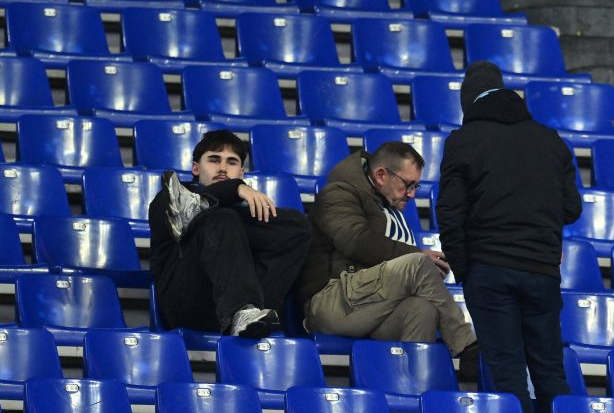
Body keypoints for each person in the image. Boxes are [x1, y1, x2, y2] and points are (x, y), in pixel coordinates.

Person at [437, 61, 582, 413]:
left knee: (507, 370)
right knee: (550, 369)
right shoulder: (549, 139)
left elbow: (450, 213)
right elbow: (572, 208)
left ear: (468, 102)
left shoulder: (463, 141)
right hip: (542, 269)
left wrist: (464, 268)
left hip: (489, 270)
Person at [299, 140, 478, 373]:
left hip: (368, 304)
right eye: (408, 184)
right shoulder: (339, 192)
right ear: (382, 175)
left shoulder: (389, 203)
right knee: (417, 264)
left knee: (422, 309)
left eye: (416, 186)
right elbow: (355, 240)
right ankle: (466, 346)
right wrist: (417, 258)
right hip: (332, 301)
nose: (413, 194)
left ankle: (411, 393)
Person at [149, 129, 311, 337]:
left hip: (237, 315)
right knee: (223, 218)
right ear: (196, 168)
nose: (223, 168)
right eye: (214, 160)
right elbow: (170, 206)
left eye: (232, 162)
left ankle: (249, 311)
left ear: (242, 173)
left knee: (297, 226)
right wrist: (236, 189)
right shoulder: (168, 199)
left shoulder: (237, 216)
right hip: (185, 307)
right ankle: (241, 310)